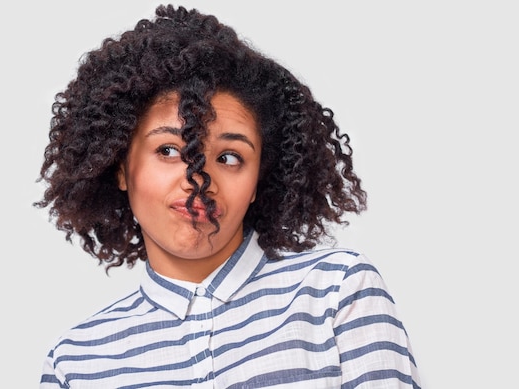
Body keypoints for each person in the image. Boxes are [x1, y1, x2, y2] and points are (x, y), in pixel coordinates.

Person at [35, 4, 421, 388]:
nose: (198, 179)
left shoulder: (335, 293)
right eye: (169, 150)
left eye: (229, 157)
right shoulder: (78, 360)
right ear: (119, 166)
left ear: (258, 181)